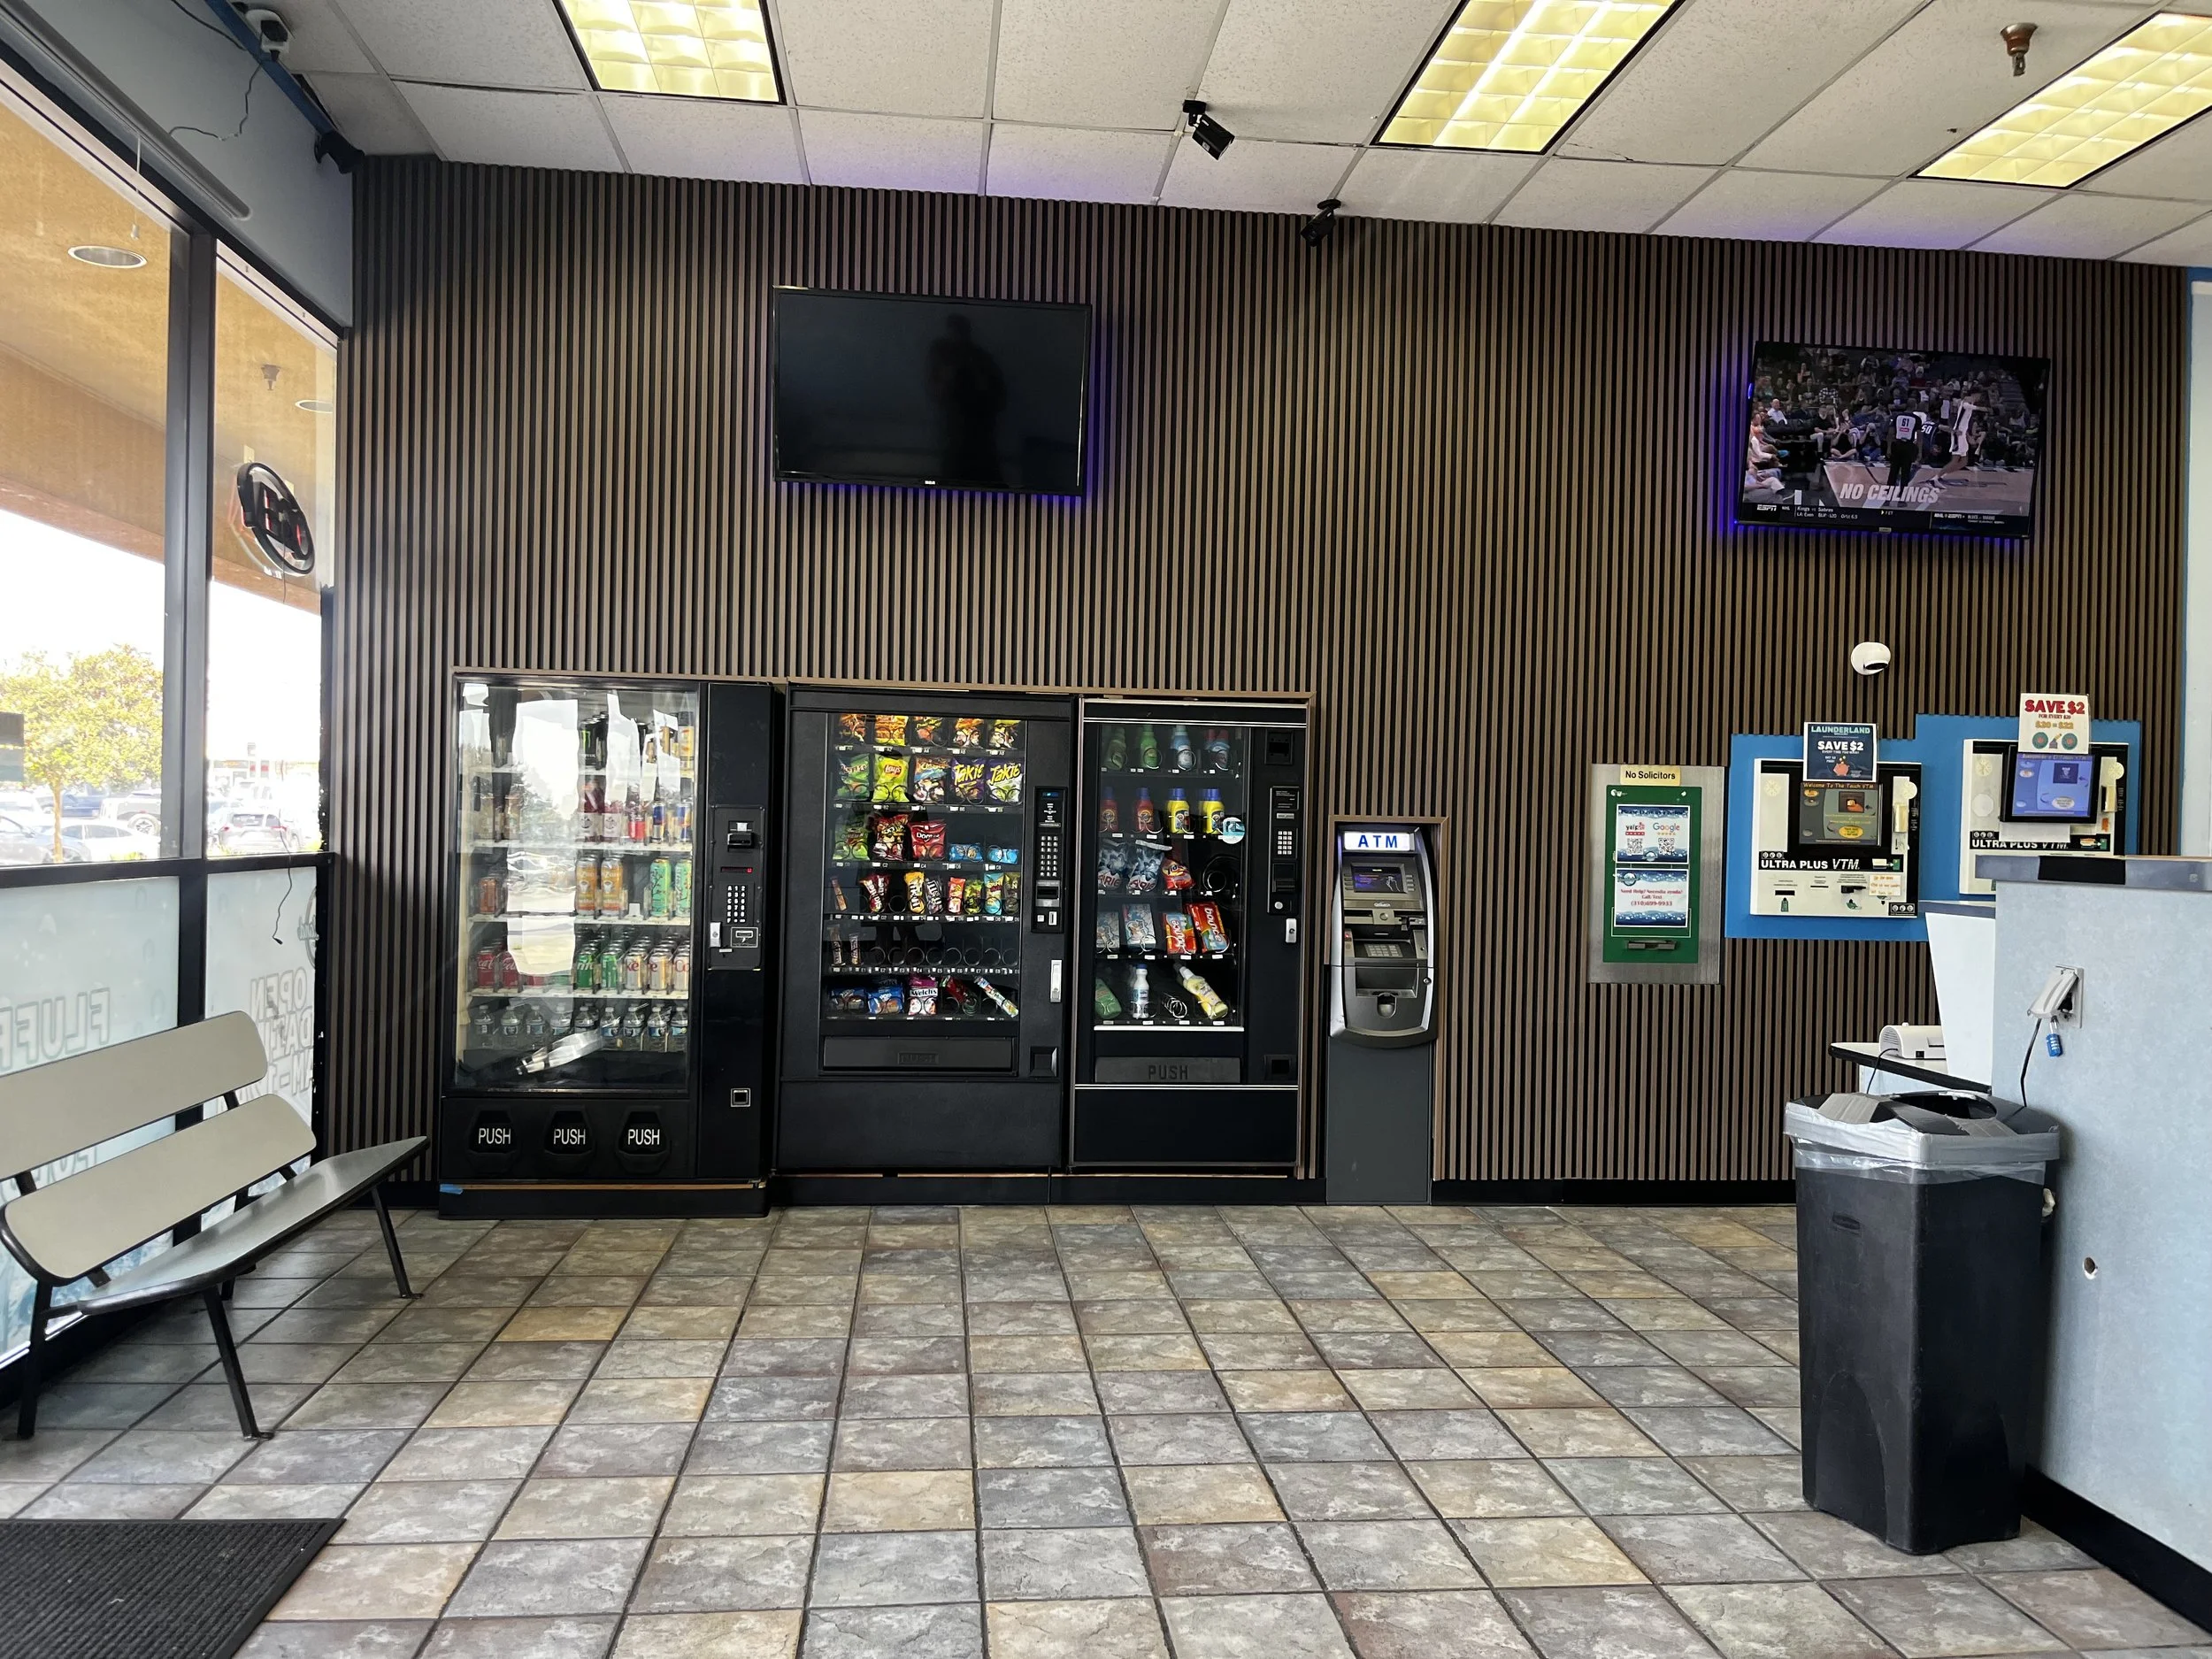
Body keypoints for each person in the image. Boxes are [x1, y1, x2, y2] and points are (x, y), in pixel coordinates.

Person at [926, 314, 1007, 486]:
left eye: (959, 332)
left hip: (980, 440)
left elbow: (999, 399)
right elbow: (935, 393)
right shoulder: (941, 357)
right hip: (951, 439)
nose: (956, 338)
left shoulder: (981, 359)